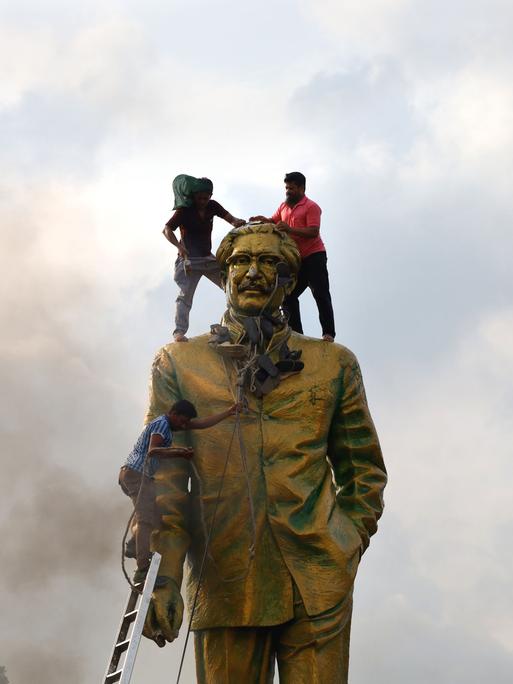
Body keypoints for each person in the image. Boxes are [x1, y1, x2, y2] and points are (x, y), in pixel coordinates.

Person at [142, 223, 387, 683]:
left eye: (269, 263)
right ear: (225, 273)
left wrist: (346, 543)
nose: (253, 272)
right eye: (241, 262)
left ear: (289, 282)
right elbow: (164, 482)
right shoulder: (178, 364)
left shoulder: (333, 364)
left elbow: (364, 470)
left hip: (318, 581)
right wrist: (166, 575)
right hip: (226, 578)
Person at [119, 399, 239, 582]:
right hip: (137, 475)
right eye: (182, 421)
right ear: (173, 413)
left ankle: (132, 545)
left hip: (134, 475)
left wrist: (228, 412)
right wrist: (180, 453)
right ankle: (142, 568)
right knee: (145, 520)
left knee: (156, 520)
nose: (183, 426)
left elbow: (199, 424)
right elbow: (153, 451)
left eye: (185, 422)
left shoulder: (170, 423)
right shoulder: (162, 426)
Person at [250, 171, 336, 341]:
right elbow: (275, 221)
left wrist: (290, 230)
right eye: (286, 188)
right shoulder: (283, 206)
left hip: (314, 255)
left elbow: (313, 231)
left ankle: (328, 333)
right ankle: (296, 333)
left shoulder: (312, 207)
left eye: (292, 188)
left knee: (320, 293)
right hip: (295, 260)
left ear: (301, 188)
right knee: (287, 295)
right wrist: (263, 219)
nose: (288, 191)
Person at [163, 175, 245, 342]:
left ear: (210, 196)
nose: (202, 201)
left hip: (207, 258)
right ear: (194, 196)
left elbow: (230, 218)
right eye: (199, 198)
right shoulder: (185, 210)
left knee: (232, 285)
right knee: (185, 296)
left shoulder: (212, 206)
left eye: (205, 198)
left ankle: (240, 322)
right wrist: (180, 248)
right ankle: (179, 332)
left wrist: (238, 222)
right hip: (189, 261)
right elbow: (166, 229)